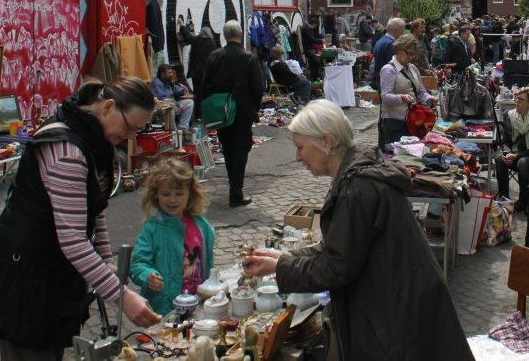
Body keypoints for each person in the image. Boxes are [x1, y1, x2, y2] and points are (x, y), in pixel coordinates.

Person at [241, 100, 475, 361]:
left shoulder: (357, 188)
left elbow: (336, 267)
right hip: (400, 300)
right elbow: (341, 247)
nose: (297, 157)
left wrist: (280, 268)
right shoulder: (356, 174)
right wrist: (285, 259)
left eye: (300, 147)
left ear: (326, 142)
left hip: (395, 312)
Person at [0, 78, 161, 358]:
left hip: (49, 272)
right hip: (27, 277)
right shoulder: (68, 151)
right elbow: (72, 240)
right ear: (108, 107)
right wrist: (123, 297)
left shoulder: (92, 135)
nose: (131, 135)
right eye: (130, 126)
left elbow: (93, 208)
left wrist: (106, 260)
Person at [130, 156, 215, 316]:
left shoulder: (201, 225)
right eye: (166, 193)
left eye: (179, 193)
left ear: (189, 194)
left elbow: (207, 262)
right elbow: (137, 265)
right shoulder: (152, 229)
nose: (172, 199)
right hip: (165, 307)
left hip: (198, 301)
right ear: (156, 195)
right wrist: (148, 276)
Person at [201, 20, 264, 207]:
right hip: (242, 112)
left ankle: (234, 187)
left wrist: (209, 107)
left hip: (221, 112)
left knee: (228, 149)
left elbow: (205, 85)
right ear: (241, 33)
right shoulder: (249, 58)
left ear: (225, 35)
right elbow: (257, 87)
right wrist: (256, 107)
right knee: (241, 150)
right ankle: (236, 193)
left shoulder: (215, 56)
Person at [377, 33, 436, 153]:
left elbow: (421, 92)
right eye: (409, 53)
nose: (412, 57)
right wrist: (401, 98)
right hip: (394, 122)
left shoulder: (413, 68)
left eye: (414, 54)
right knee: (396, 157)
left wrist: (430, 98)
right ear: (399, 50)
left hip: (413, 122)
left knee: (412, 157)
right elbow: (385, 96)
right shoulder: (389, 70)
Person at [495, 89, 529, 210]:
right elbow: (505, 141)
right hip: (517, 153)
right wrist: (506, 154)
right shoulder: (509, 116)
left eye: (521, 99)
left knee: (523, 162)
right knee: (500, 160)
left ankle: (524, 201)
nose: (517, 101)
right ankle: (504, 199)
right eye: (517, 99)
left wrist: (516, 156)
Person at [178, 16, 216, 99]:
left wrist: (181, 25)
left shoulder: (198, 40)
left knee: (197, 94)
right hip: (207, 73)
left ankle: (198, 110)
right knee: (205, 94)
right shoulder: (212, 43)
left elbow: (188, 36)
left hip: (197, 73)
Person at [151, 64, 194, 132]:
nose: (171, 74)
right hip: (162, 108)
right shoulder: (157, 83)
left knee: (189, 103)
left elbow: (174, 90)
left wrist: (181, 90)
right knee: (170, 110)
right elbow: (162, 99)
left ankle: (183, 128)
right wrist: (177, 104)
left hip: (173, 104)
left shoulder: (167, 80)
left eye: (171, 72)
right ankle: (174, 132)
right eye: (169, 73)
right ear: (162, 74)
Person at [371, 17, 405, 91]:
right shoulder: (390, 44)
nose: (403, 33)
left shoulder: (380, 41)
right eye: (402, 30)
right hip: (387, 82)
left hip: (380, 80)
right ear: (397, 30)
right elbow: (393, 66)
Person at [300, 15, 324, 81]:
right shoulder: (306, 29)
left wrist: (320, 38)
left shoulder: (308, 28)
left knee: (313, 63)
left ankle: (314, 77)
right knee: (316, 62)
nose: (315, 28)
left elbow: (313, 37)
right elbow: (311, 39)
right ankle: (316, 77)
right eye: (315, 26)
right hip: (308, 49)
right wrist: (320, 41)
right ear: (314, 24)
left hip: (310, 48)